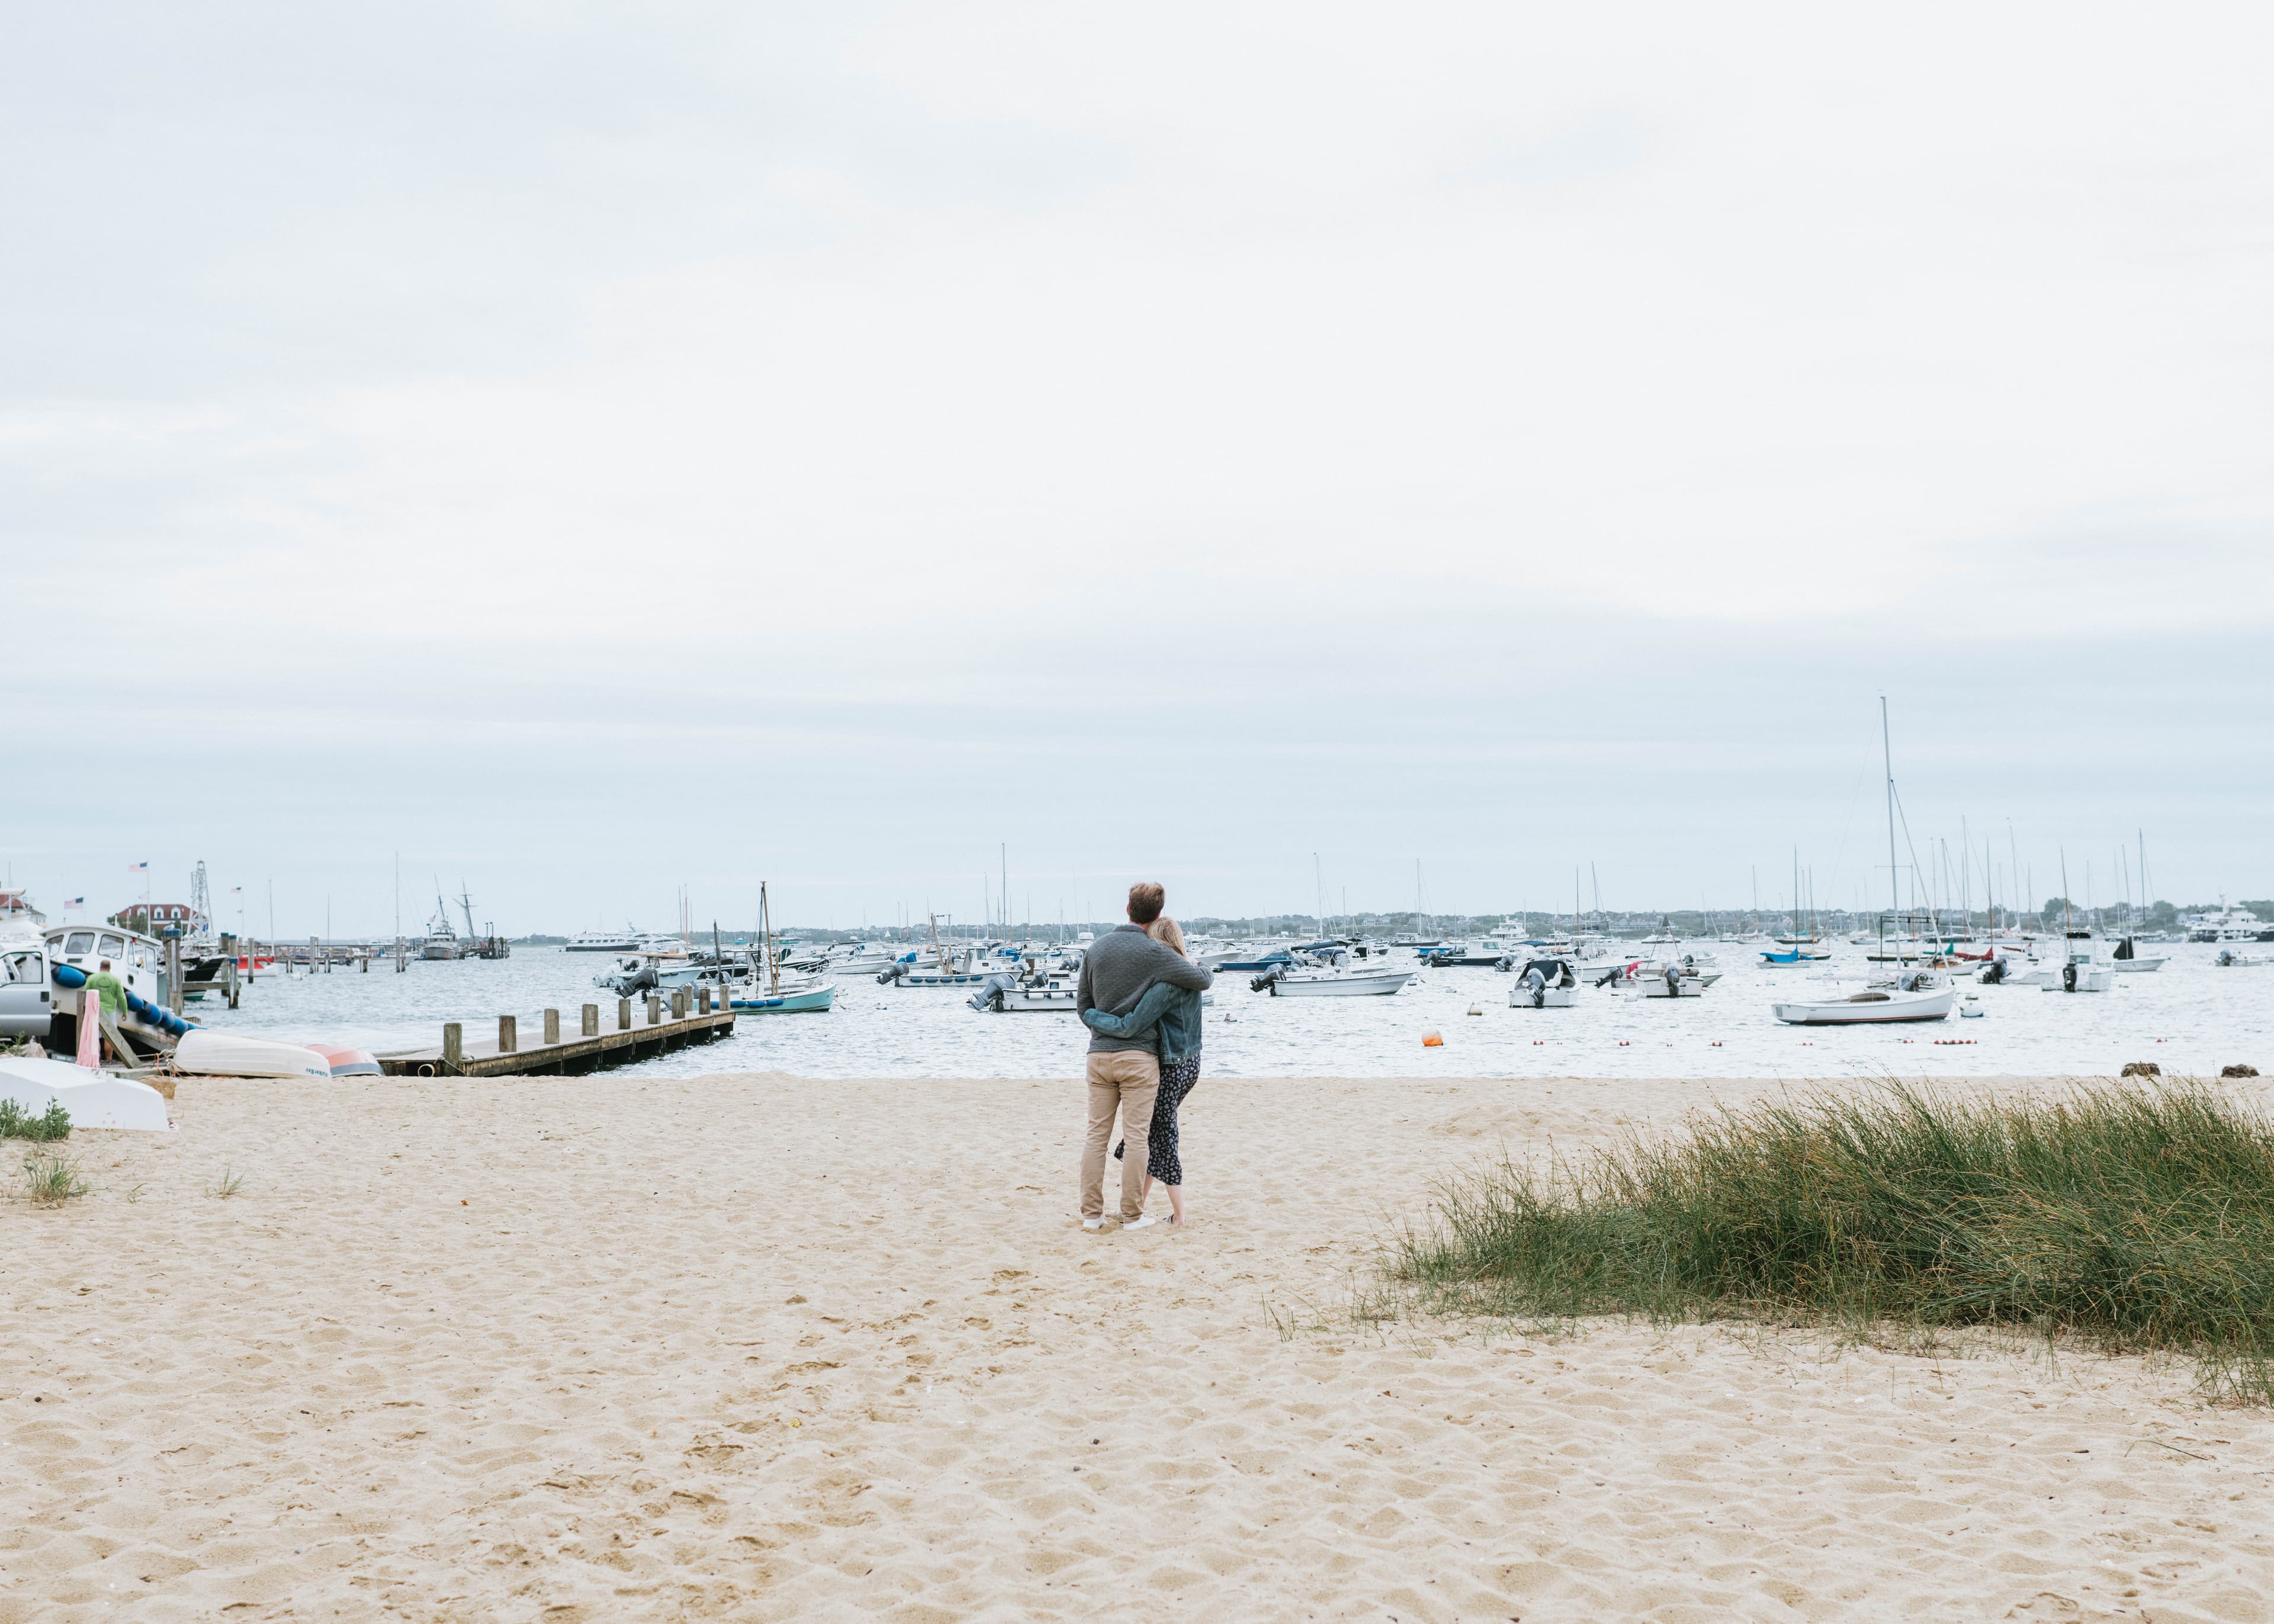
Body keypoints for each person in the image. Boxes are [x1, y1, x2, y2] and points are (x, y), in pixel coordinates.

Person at [1074, 882, 1212, 1231]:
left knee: (1096, 1137)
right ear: (1159, 915)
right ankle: (1133, 1217)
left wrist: (1099, 1021)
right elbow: (1200, 979)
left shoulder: (1096, 949)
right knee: (1138, 1138)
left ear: (1127, 909)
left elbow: (1083, 1008)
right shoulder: (1156, 952)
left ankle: (1092, 1216)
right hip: (1139, 1059)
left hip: (1099, 1055)